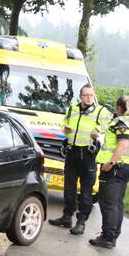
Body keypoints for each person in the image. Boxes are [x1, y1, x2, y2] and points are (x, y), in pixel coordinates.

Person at [49, 84, 113, 236]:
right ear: (80, 96)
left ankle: (81, 221)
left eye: (91, 95)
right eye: (86, 95)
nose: (89, 98)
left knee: (86, 191)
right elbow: (64, 123)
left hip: (88, 154)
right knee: (69, 188)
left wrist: (99, 129)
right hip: (72, 152)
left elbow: (112, 123)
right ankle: (67, 217)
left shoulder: (101, 111)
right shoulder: (73, 109)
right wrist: (65, 129)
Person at [90, 95, 129, 249]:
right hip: (128, 166)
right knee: (117, 202)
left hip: (115, 167)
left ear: (119, 108)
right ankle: (113, 235)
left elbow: (123, 144)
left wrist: (110, 163)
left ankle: (107, 237)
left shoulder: (121, 122)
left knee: (108, 203)